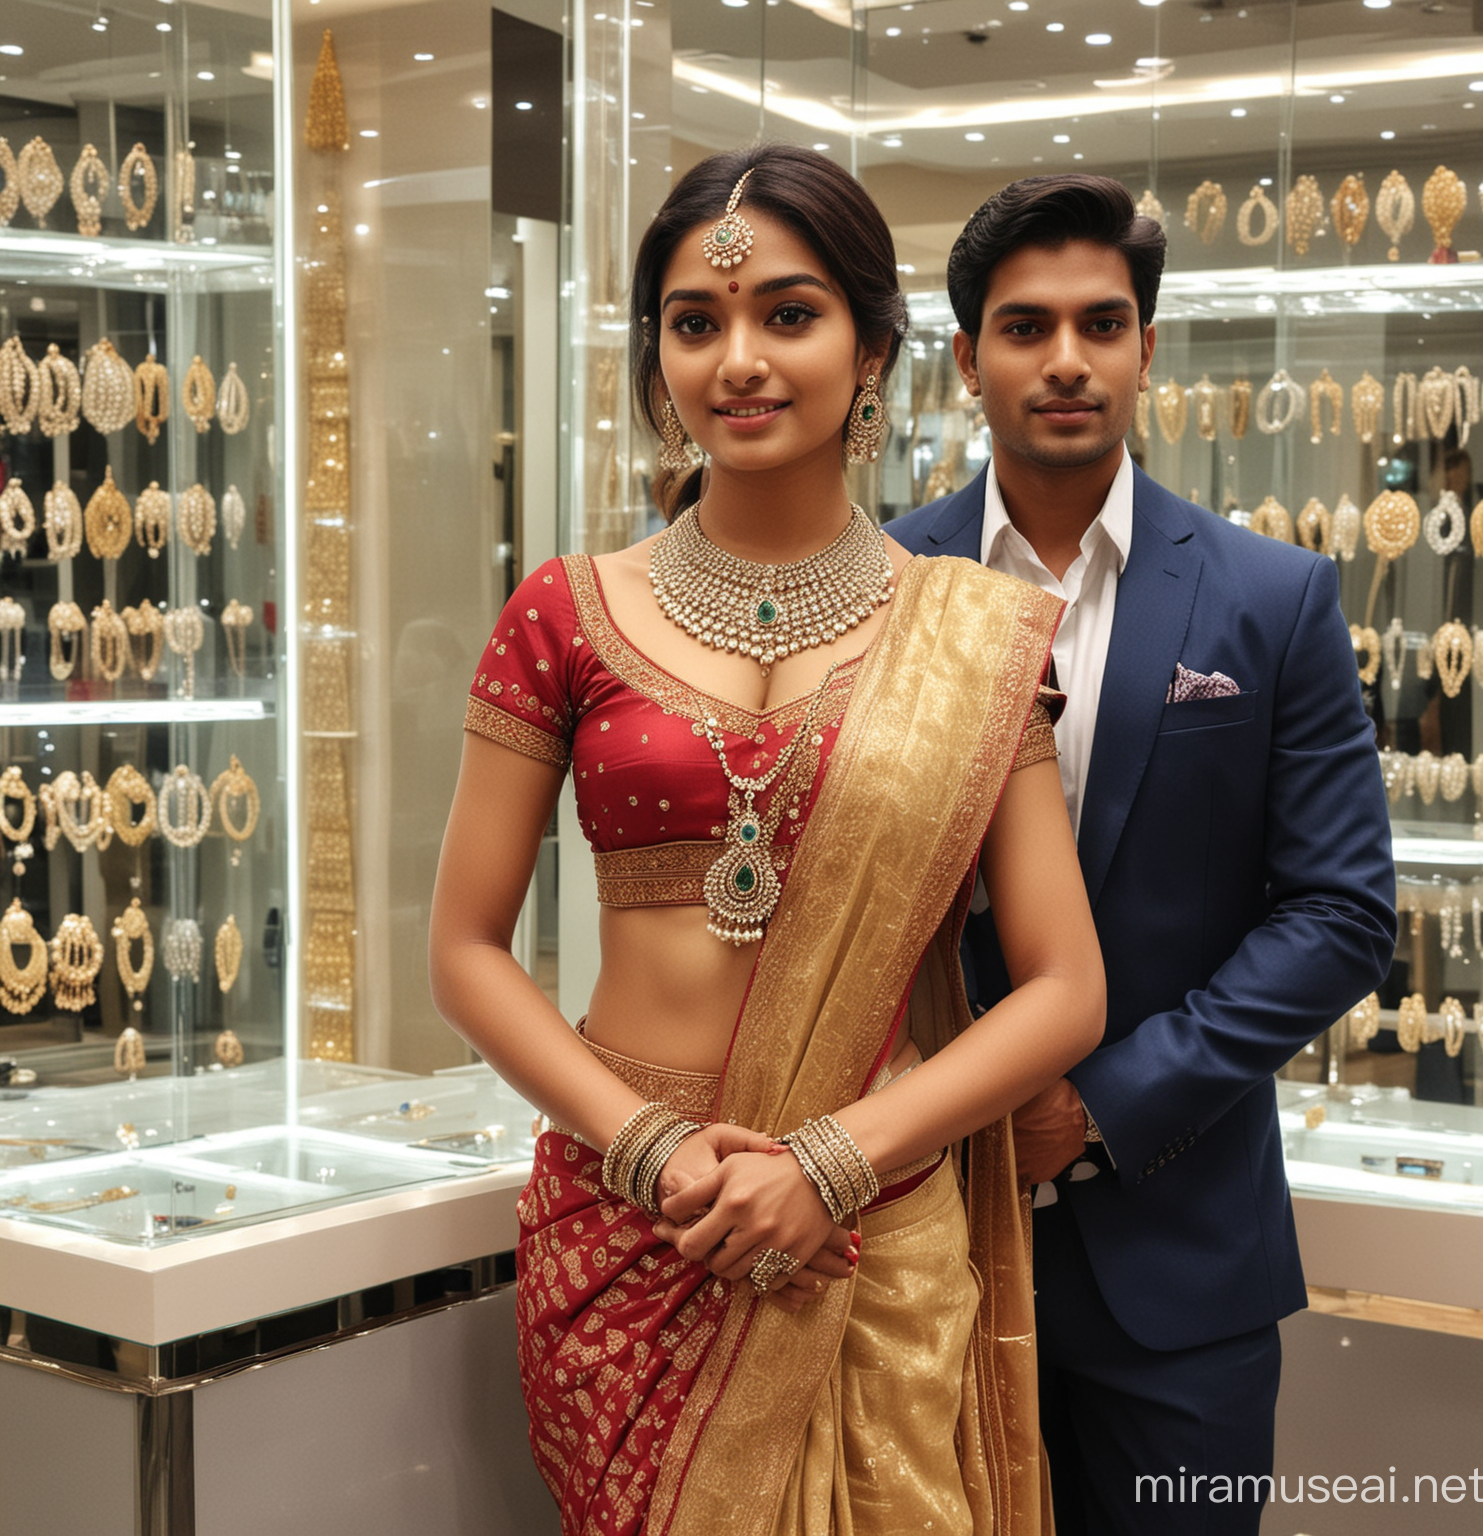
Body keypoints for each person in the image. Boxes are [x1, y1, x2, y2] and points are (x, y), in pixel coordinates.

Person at [429, 144, 1105, 1536]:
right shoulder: (563, 612)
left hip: (872, 1231)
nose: (738, 358)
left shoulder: (970, 637)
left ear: (872, 352)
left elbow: (1065, 988)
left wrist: (833, 1162)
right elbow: (463, 951)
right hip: (632, 1231)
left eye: (788, 314)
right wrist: (654, 1151)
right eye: (695, 321)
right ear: (657, 357)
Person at [888, 174, 1397, 1536]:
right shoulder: (882, 588)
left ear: (1148, 350)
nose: (1066, 360)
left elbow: (1342, 913)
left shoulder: (1270, 597)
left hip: (1180, 1264)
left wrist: (1102, 1106)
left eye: (1102, 325)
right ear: (968, 359)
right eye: (1026, 327)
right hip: (911, 1244)